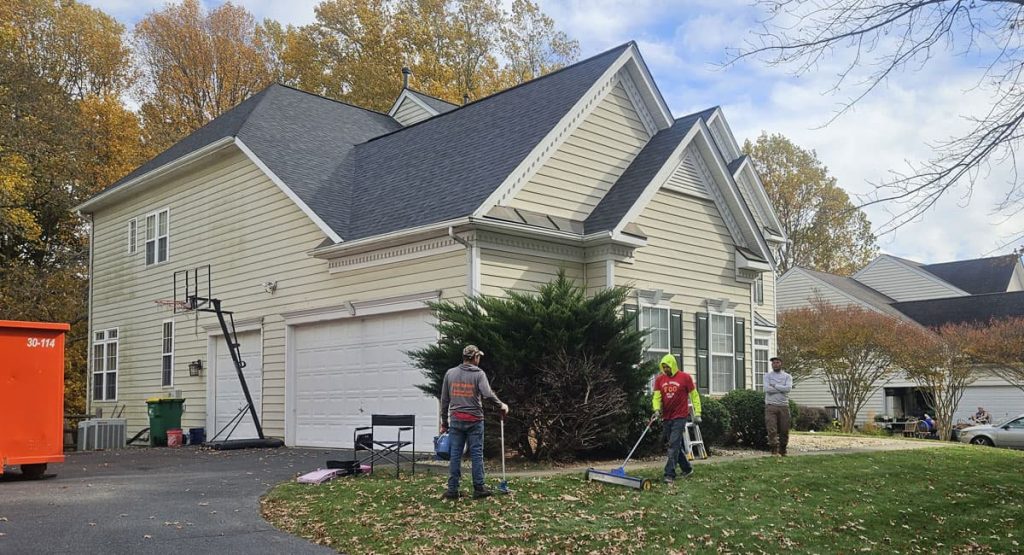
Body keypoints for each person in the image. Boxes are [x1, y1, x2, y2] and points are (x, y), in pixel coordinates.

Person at [439, 345, 508, 500]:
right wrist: (501, 405)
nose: (479, 360)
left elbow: (444, 400)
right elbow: (487, 394)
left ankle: (452, 490)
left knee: (455, 454)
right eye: (479, 357)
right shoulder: (479, 374)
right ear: (475, 357)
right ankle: (479, 487)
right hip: (475, 420)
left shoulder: (450, 373)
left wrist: (444, 422)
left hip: (456, 420)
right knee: (476, 453)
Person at [652, 354, 701, 484]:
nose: (665, 369)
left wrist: (697, 413)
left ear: (672, 365)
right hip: (667, 416)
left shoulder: (685, 378)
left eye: (667, 367)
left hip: (680, 416)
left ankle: (669, 474)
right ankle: (687, 468)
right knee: (675, 445)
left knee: (673, 444)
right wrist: (656, 409)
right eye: (663, 367)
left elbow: (694, 396)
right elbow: (656, 397)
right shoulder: (659, 380)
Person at [764, 356, 793, 456]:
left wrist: (775, 386)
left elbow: (788, 389)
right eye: (773, 363)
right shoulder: (767, 376)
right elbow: (767, 389)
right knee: (772, 429)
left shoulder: (787, 376)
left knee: (784, 430)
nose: (775, 364)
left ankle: (783, 450)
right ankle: (774, 451)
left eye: (777, 362)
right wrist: (781, 388)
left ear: (781, 364)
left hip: (784, 406)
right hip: (770, 406)